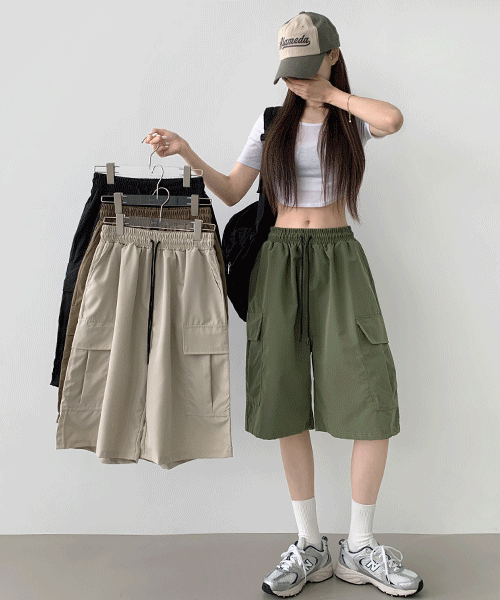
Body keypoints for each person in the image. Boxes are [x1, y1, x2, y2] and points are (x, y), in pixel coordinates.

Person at [143, 11, 423, 598]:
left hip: (339, 259)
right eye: (290, 70)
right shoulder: (272, 122)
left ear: (331, 56)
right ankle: (309, 544)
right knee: (284, 395)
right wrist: (188, 152)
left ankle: (360, 546)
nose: (297, 79)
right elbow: (232, 191)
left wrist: (332, 95)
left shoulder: (351, 119)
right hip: (278, 260)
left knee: (370, 395)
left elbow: (393, 119)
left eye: (307, 66)